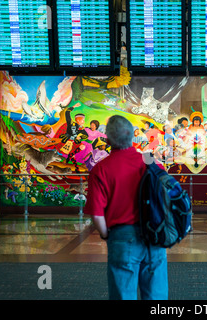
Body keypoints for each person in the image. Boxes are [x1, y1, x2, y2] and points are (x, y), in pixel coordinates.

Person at [84, 115, 168, 300]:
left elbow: (97, 215)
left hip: (122, 237)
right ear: (132, 136)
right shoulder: (149, 162)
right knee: (157, 295)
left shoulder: (101, 169)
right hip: (155, 232)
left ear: (107, 138)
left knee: (123, 294)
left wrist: (106, 234)